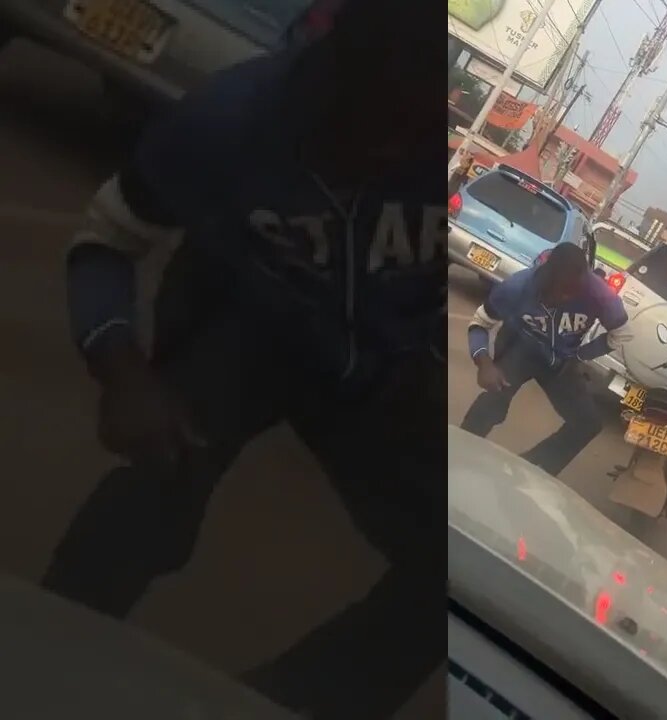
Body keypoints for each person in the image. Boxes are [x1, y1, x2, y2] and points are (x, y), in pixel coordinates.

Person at [42, 1, 442, 717]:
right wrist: (124, 373)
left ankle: (283, 702)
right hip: (244, 320)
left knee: (451, 574)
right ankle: (50, 645)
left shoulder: (439, 163)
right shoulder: (233, 115)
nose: (389, 152)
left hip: (376, 365)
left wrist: (431, 365)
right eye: (368, 123)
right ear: (322, 80)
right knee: (159, 477)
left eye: (412, 132)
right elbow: (106, 238)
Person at [460, 243, 631, 476]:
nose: (564, 297)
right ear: (546, 275)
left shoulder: (601, 296)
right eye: (559, 289)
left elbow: (622, 334)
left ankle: (531, 469)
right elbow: (480, 323)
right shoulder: (518, 286)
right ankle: (458, 457)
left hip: (562, 359)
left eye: (573, 292)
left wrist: (581, 356)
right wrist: (484, 363)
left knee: (588, 423)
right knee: (491, 402)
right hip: (519, 346)